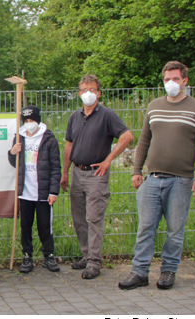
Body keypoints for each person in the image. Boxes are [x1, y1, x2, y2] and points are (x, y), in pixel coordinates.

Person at [119, 61, 195, 290]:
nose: (171, 83)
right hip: (152, 178)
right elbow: (144, 141)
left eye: (176, 79)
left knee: (175, 230)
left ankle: (169, 271)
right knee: (145, 227)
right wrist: (136, 171)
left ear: (185, 81)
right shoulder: (154, 106)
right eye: (167, 79)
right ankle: (140, 272)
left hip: (181, 180)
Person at [61, 74, 133, 279]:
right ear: (79, 93)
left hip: (96, 174)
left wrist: (109, 159)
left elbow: (127, 136)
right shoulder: (74, 117)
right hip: (77, 172)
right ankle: (86, 255)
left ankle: (94, 262)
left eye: (92, 90)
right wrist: (65, 173)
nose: (88, 94)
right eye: (84, 90)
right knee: (79, 218)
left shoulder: (107, 115)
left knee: (94, 218)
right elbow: (69, 145)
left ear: (98, 93)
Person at [7, 105, 62, 273]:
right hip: (25, 192)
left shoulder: (48, 138)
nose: (29, 123)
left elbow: (55, 167)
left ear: (38, 120)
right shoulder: (19, 137)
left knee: (45, 225)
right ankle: (27, 256)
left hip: (43, 192)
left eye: (32, 120)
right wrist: (12, 152)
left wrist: (53, 191)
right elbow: (14, 164)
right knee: (26, 225)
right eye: (26, 121)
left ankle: (48, 255)